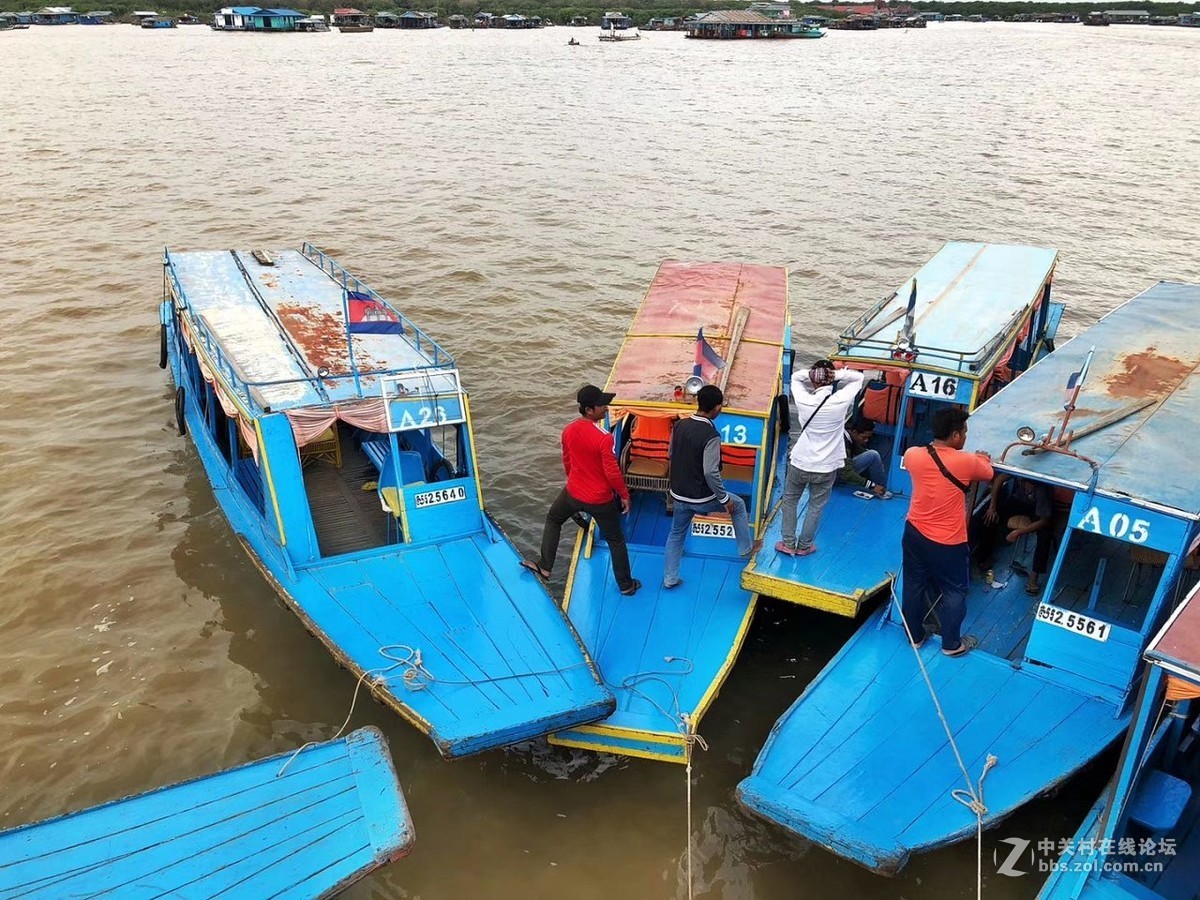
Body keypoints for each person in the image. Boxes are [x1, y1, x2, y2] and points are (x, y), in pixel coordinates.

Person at [521, 384, 640, 596]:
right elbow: (612, 472)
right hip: (600, 499)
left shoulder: (568, 430)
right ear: (589, 410)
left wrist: (574, 482)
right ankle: (626, 585)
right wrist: (624, 495)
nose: (606, 407)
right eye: (602, 405)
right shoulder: (604, 437)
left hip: (573, 494)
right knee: (615, 540)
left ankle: (545, 566)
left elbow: (566, 461)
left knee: (554, 519)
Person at [900, 406, 994, 657]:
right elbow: (988, 473)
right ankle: (951, 644)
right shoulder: (966, 461)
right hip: (948, 541)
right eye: (964, 433)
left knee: (913, 584)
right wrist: (983, 457)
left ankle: (915, 636)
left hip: (914, 532)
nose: (965, 437)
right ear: (954, 436)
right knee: (954, 590)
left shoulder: (912, 455)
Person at [662, 385, 761, 588]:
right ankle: (745, 549)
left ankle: (670, 579)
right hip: (702, 498)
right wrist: (724, 500)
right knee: (739, 505)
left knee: (676, 534)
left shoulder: (679, 426)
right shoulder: (711, 436)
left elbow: (671, 455)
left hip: (679, 494)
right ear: (716, 408)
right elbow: (710, 471)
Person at [776, 359, 864, 557]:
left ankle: (788, 543)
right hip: (826, 467)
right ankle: (804, 546)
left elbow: (795, 377)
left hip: (800, 462)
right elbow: (858, 377)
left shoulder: (804, 400)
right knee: (816, 507)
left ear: (814, 380)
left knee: (790, 501)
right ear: (831, 380)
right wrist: (836, 374)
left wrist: (814, 373)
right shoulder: (840, 401)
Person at [972, 475, 1054, 594]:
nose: (1025, 488)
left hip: (1037, 510)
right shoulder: (1021, 475)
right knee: (989, 517)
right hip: (1019, 502)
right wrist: (992, 507)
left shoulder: (1042, 491)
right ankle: (984, 557)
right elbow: (999, 479)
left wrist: (1018, 532)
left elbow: (1044, 521)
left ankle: (1034, 575)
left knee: (1044, 535)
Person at [838, 417, 890, 498]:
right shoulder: (843, 443)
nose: (866, 440)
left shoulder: (848, 435)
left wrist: (878, 464)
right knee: (873, 455)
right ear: (854, 432)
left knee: (873, 456)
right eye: (864, 437)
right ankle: (881, 490)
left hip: (836, 472)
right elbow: (846, 474)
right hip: (837, 476)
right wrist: (872, 486)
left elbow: (860, 450)